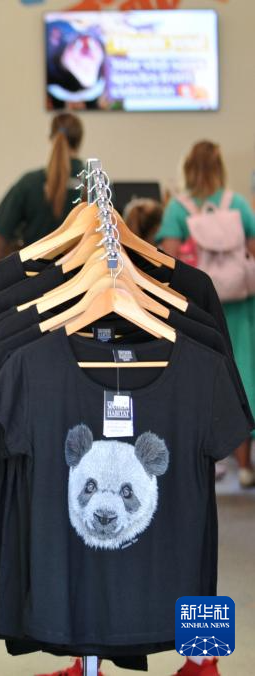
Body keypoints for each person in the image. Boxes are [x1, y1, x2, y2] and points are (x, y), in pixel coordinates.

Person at [155, 140, 255, 490]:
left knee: (202, 374)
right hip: (240, 303)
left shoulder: (177, 209)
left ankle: (211, 460)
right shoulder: (237, 203)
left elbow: (168, 261)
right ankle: (246, 465)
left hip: (197, 306)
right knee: (244, 372)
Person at [0, 113, 84, 260]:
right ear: (79, 140)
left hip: (33, 272)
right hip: (85, 273)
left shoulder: (29, 183)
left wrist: (16, 262)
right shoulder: (97, 184)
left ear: (50, 137)